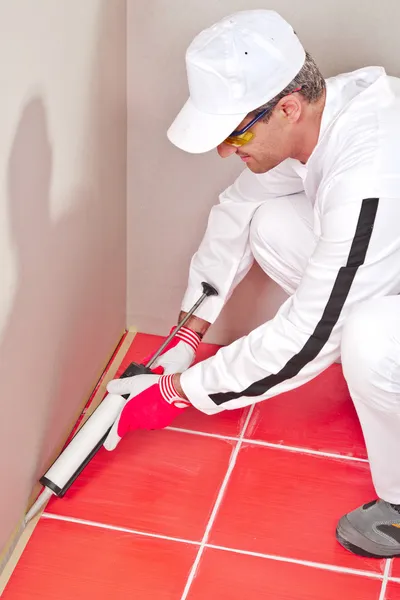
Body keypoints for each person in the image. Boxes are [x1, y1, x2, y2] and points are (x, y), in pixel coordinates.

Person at [104, 10, 400, 559]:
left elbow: (310, 333)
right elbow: (239, 207)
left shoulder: (368, 175)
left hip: (380, 267)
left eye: (235, 133)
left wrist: (177, 395)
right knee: (268, 221)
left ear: (287, 106)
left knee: (367, 338)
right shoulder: (321, 119)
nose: (224, 151)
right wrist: (186, 337)